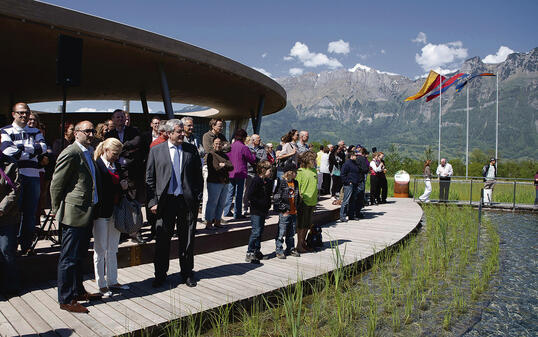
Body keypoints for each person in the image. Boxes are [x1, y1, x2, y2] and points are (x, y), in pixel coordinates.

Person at [50, 121, 102, 313]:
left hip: (86, 212)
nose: (91, 134)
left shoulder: (88, 152)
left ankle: (78, 291)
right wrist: (56, 210)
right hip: (74, 213)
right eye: (87, 131)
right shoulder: (71, 153)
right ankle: (66, 299)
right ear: (77, 133)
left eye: (92, 130)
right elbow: (56, 184)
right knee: (69, 258)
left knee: (79, 256)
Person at [146, 119, 203, 288]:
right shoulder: (156, 151)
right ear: (169, 133)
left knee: (187, 239)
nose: (182, 134)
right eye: (179, 131)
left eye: (183, 131)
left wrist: (197, 198)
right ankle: (160, 275)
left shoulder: (190, 150)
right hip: (165, 203)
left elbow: (198, 178)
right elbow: (149, 178)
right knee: (162, 240)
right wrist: (152, 202)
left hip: (186, 202)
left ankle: (186, 273)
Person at [0, 103, 47, 256]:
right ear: (13, 114)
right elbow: (7, 150)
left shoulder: (35, 131)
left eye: (26, 113)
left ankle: (26, 245)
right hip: (15, 178)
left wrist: (21, 150)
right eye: (20, 113)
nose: (24, 116)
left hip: (33, 176)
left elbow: (43, 148)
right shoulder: (5, 131)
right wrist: (31, 151)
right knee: (13, 213)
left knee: (30, 213)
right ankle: (11, 247)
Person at [93, 138, 130, 297]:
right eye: (115, 153)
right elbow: (101, 188)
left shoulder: (117, 166)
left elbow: (120, 185)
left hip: (116, 211)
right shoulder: (97, 165)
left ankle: (113, 280)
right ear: (106, 150)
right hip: (101, 212)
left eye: (119, 154)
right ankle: (101, 284)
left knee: (113, 248)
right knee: (100, 249)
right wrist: (118, 185)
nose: (117, 156)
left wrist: (124, 186)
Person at [105, 109, 145, 243]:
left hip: (132, 172)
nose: (120, 119)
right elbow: (108, 149)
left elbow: (137, 143)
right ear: (113, 119)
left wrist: (120, 148)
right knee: (119, 203)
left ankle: (135, 231)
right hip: (117, 172)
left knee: (134, 203)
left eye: (122, 117)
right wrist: (127, 150)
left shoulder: (133, 131)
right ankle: (122, 230)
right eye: (117, 117)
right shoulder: (109, 134)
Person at [222, 129, 256, 220]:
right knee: (239, 194)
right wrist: (254, 155)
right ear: (244, 137)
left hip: (231, 172)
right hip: (240, 172)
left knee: (230, 192)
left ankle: (226, 211)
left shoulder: (231, 146)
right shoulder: (244, 147)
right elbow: (251, 159)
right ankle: (237, 213)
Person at [0, 152, 21, 298]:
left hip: (6, 216)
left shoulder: (10, 163)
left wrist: (1, 209)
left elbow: (16, 189)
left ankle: (10, 287)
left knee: (6, 250)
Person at [244, 160, 273, 263]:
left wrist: (268, 204)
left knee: (260, 231)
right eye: (269, 169)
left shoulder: (268, 181)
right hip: (256, 210)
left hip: (263, 210)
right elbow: (250, 195)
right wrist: (260, 203)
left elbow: (268, 195)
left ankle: (257, 251)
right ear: (262, 170)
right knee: (255, 232)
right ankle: (249, 252)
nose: (271, 171)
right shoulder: (256, 180)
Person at [273, 163, 301, 259]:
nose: (296, 174)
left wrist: (297, 207)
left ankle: (290, 248)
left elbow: (297, 196)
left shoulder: (295, 183)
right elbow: (277, 197)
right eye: (295, 172)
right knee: (281, 233)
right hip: (285, 212)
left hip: (293, 211)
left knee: (291, 233)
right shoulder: (281, 182)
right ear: (290, 172)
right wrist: (283, 209)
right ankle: (279, 250)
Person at [205, 137, 233, 230]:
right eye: (216, 143)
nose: (218, 145)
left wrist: (223, 165)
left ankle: (217, 221)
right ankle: (209, 223)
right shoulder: (211, 155)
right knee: (212, 203)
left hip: (224, 181)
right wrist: (224, 165)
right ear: (213, 144)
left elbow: (231, 166)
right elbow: (215, 168)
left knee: (221, 203)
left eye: (220, 143)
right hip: (214, 182)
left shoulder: (224, 155)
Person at [295, 151, 318, 253]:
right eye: (312, 160)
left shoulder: (314, 171)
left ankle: (303, 243)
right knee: (301, 225)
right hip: (303, 201)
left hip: (312, 201)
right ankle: (298, 245)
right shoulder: (300, 171)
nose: (314, 161)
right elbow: (297, 187)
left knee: (307, 225)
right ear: (306, 160)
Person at [339, 151, 368, 222]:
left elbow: (361, 170)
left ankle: (351, 215)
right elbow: (342, 174)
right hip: (349, 185)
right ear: (351, 156)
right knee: (346, 201)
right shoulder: (346, 164)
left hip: (355, 184)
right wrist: (348, 182)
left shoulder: (355, 164)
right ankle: (342, 216)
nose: (356, 157)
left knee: (353, 201)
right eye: (355, 155)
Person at [244, 134, 267, 214]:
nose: (260, 141)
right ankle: (245, 207)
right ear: (253, 140)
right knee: (247, 190)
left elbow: (264, 160)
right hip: (249, 172)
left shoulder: (262, 150)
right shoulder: (247, 148)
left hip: (258, 173)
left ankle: (254, 207)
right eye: (258, 139)